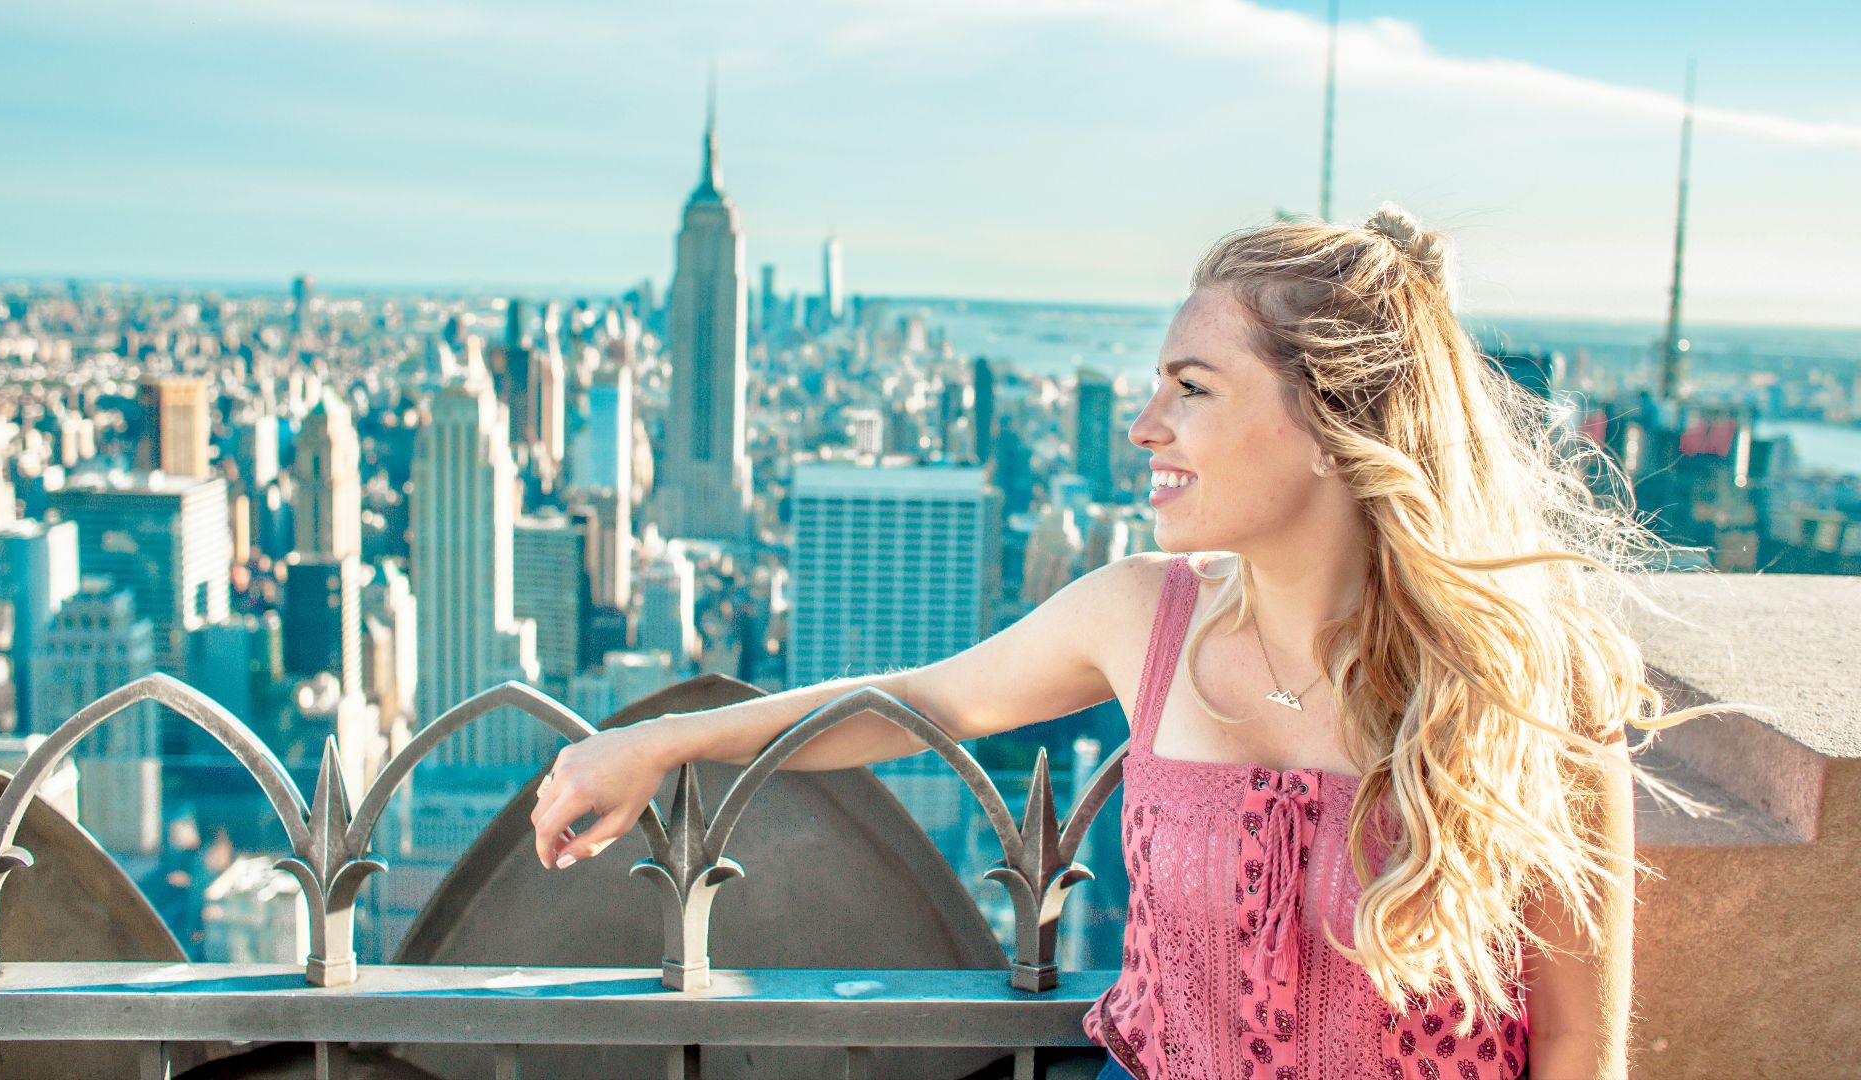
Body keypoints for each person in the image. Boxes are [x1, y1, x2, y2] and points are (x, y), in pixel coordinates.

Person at [530, 204, 1720, 1079]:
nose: (1147, 425)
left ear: (1332, 424)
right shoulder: (1139, 615)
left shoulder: (1527, 683)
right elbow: (918, 705)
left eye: (1192, 388)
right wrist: (665, 740)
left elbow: (1574, 1041)